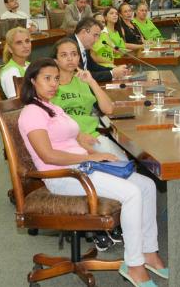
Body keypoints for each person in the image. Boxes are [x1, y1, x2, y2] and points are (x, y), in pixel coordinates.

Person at [17, 59, 165, 285]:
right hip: (64, 175)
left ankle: (149, 253)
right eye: (47, 78)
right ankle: (134, 265)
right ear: (32, 81)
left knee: (147, 185)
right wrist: (89, 157)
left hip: (83, 167)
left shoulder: (52, 107)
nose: (54, 84)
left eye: (56, 78)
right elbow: (48, 156)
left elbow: (68, 137)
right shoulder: (32, 113)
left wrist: (91, 149)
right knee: (132, 193)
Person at [49, 38, 126, 160]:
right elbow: (47, 124)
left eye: (74, 54)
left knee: (123, 163)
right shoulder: (50, 86)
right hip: (65, 141)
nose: (70, 58)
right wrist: (77, 136)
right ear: (55, 61)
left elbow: (108, 109)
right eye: (64, 55)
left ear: (79, 58)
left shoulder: (82, 80)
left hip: (93, 137)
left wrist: (92, 82)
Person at [73, 17, 130, 83]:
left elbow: (93, 67)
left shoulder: (84, 46)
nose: (97, 40)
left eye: (98, 36)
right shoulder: (69, 47)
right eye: (95, 35)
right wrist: (112, 73)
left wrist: (115, 70)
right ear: (84, 32)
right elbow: (81, 76)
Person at [0, 27, 33, 98]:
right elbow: (16, 102)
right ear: (10, 49)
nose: (25, 46)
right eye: (19, 43)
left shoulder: (30, 65)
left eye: (27, 41)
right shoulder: (10, 72)